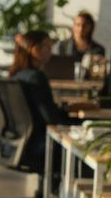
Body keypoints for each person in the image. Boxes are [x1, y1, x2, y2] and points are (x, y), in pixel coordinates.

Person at [10, 30, 80, 167]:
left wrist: (65, 109)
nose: (50, 51)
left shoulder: (18, 75)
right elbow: (52, 119)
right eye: (47, 47)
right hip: (42, 142)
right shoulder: (36, 78)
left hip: (26, 141)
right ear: (34, 49)